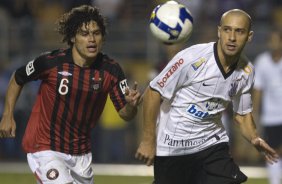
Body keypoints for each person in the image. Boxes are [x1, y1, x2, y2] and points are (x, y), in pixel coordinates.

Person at [0, 5, 141, 184]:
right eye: (84, 34)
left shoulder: (111, 70)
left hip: (81, 154)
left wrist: (131, 106)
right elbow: (18, 77)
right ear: (73, 37)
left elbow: (125, 114)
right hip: (45, 147)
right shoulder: (51, 62)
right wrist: (7, 114)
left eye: (96, 33)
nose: (91, 39)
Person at [135, 9, 278, 184]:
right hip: (173, 148)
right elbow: (153, 92)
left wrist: (255, 137)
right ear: (219, 31)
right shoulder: (190, 58)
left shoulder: (247, 71)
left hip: (211, 145)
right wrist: (148, 140)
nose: (232, 37)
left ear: (249, 36)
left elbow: (242, 115)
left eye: (239, 31)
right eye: (227, 30)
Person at [253, 29, 282, 184]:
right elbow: (258, 89)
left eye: (276, 40)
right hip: (270, 117)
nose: (273, 43)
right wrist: (255, 115)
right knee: (273, 152)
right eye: (271, 40)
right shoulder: (262, 61)